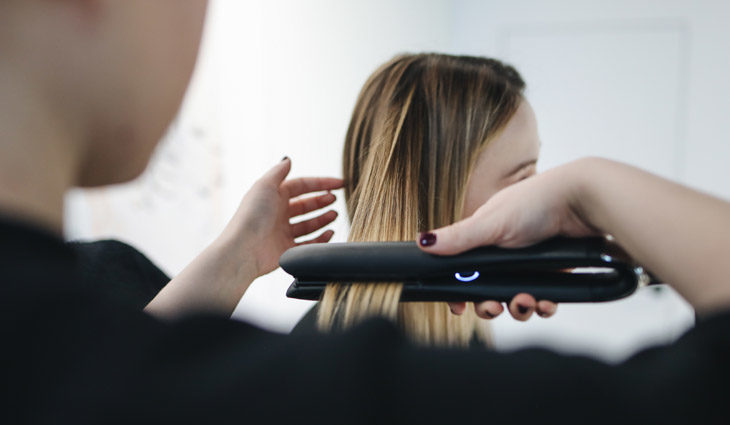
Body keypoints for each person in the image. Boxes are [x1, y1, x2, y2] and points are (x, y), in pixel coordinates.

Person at [2, 1, 729, 423]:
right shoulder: (349, 387)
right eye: (526, 178)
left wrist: (237, 254)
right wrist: (594, 184)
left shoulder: (89, 329)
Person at [299, 53, 557, 347]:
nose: (542, 197)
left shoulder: (464, 326)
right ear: (440, 191)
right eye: (523, 177)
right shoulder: (335, 350)